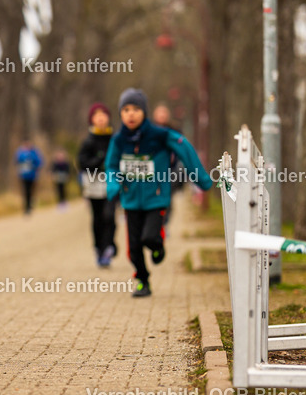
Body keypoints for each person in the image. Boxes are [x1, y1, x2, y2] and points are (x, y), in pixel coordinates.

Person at [106, 88, 212, 298]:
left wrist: (201, 179)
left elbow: (185, 149)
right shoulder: (119, 140)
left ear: (144, 112)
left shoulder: (159, 135)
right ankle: (142, 281)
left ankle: (158, 247)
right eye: (126, 109)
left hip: (156, 198)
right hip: (131, 200)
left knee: (150, 237)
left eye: (136, 109)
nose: (131, 114)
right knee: (133, 248)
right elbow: (111, 165)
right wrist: (113, 184)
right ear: (120, 114)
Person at [77, 103, 117, 267]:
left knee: (109, 216)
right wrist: (99, 160)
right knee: (97, 218)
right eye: (97, 116)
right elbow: (82, 163)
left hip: (111, 183)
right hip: (93, 184)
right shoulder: (88, 141)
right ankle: (99, 248)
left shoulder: (115, 139)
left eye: (104, 115)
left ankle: (109, 246)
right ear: (91, 120)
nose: (101, 119)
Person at [15, 140, 43, 215]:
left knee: (31, 190)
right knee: (25, 190)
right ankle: (26, 207)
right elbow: (16, 161)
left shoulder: (34, 152)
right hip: (23, 175)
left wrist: (34, 166)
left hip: (33, 175)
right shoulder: (20, 152)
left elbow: (39, 162)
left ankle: (30, 204)